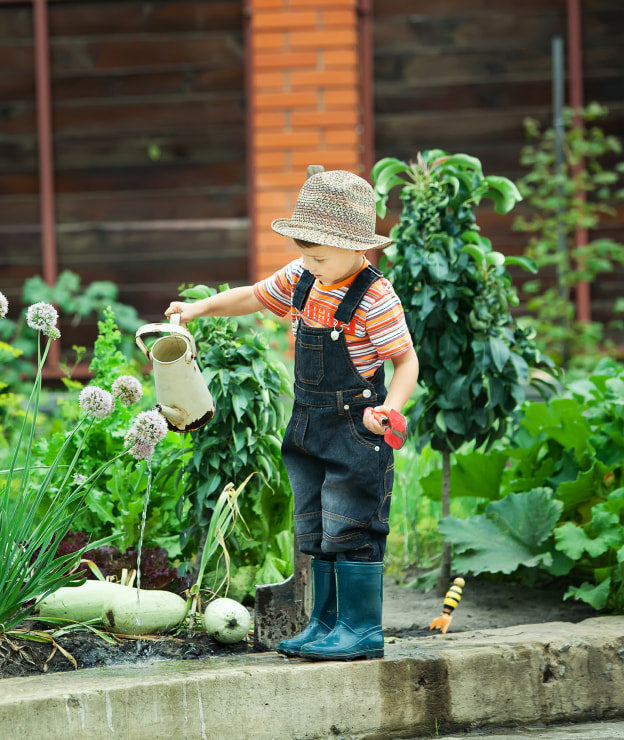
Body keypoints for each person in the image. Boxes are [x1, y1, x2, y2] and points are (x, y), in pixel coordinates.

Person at [165, 169, 419, 661]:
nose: (308, 264)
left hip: (356, 429)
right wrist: (199, 309)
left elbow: (406, 360)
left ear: (357, 248)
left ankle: (360, 628)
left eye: (319, 256)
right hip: (308, 426)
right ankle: (325, 623)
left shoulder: (374, 297)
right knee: (317, 525)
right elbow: (255, 295)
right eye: (304, 254)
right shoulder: (305, 277)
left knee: (353, 524)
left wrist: (391, 407)